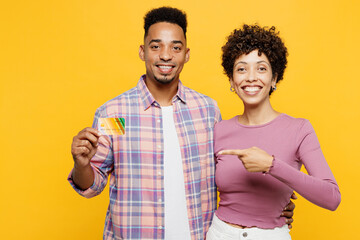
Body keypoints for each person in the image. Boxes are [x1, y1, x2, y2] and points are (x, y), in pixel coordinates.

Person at [68, 8, 295, 240]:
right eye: (156, 46)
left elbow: (229, 175)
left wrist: (271, 207)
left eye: (175, 47)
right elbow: (91, 185)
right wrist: (81, 165)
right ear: (142, 51)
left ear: (186, 54)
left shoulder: (207, 111)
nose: (166, 56)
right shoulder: (114, 114)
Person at [206, 24, 341, 240]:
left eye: (261, 68)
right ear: (231, 80)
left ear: (274, 78)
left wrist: (272, 165)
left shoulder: (299, 129)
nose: (251, 77)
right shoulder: (218, 130)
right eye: (241, 69)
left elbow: (332, 198)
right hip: (220, 233)